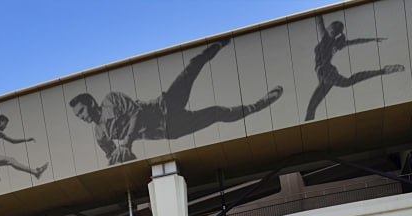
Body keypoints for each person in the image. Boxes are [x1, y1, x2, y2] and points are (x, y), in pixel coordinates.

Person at [69, 39, 283, 164]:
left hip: (165, 105)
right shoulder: (99, 134)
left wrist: (127, 142)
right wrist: (123, 159)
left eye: (82, 111)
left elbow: (136, 113)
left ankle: (216, 45)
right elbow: (113, 158)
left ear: (91, 103)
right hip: (169, 128)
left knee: (190, 69)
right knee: (217, 113)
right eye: (78, 115)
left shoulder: (110, 100)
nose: (82, 117)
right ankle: (257, 106)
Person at [305, 17, 403, 122]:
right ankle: (382, 71)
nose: (331, 32)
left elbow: (355, 41)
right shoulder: (330, 39)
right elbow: (320, 21)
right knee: (312, 108)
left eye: (333, 31)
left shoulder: (330, 40)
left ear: (333, 32)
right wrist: (372, 39)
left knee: (347, 82)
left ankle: (383, 71)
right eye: (331, 30)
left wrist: (372, 39)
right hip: (324, 75)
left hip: (326, 72)